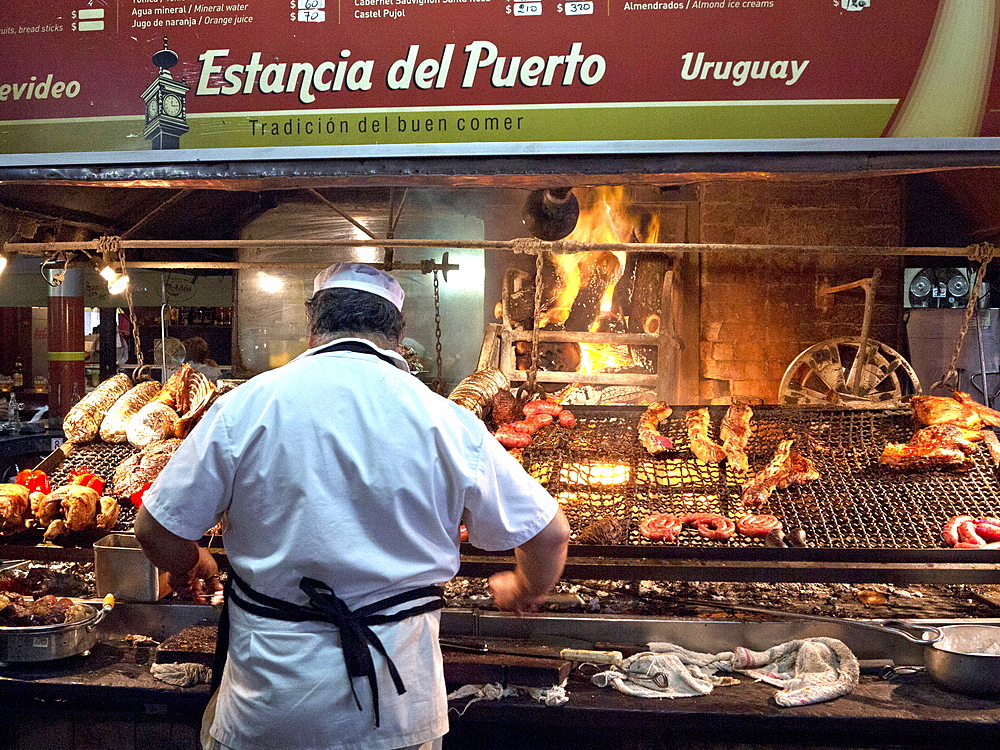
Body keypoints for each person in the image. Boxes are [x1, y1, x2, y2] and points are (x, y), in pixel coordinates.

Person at [135, 262, 570, 750]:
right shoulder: (447, 421)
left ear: (312, 326)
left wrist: (193, 559)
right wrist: (525, 585)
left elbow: (155, 531)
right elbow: (549, 535)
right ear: (398, 335)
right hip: (394, 712)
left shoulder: (244, 407)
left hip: (271, 706)